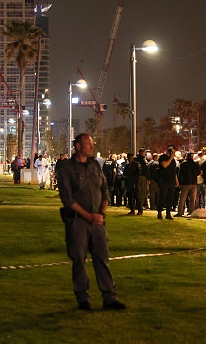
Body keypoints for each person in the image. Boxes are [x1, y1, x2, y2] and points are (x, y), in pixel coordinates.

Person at [57, 133, 126, 311]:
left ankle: (110, 298)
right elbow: (68, 199)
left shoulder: (95, 165)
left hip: (98, 222)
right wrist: (89, 216)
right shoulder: (66, 167)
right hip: (78, 222)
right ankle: (83, 298)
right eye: (88, 144)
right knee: (79, 260)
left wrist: (101, 214)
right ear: (78, 146)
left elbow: (104, 192)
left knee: (102, 259)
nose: (92, 147)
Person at [157, 145, 179, 220]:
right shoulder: (163, 157)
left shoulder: (173, 160)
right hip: (164, 180)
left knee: (170, 198)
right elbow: (164, 165)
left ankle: (168, 213)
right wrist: (171, 157)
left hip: (171, 181)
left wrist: (176, 180)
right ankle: (159, 212)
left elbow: (174, 171)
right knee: (163, 197)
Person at [176, 152, 200, 217]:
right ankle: (191, 212)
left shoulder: (183, 164)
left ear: (186, 156)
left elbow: (180, 174)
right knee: (193, 199)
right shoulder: (195, 164)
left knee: (182, 198)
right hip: (194, 183)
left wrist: (180, 183)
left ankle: (180, 212)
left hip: (185, 183)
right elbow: (198, 173)